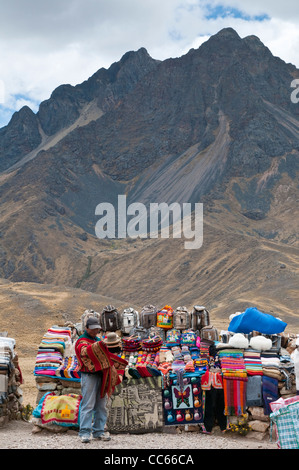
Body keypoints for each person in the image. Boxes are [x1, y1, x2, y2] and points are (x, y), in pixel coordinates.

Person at [75, 316, 127, 443]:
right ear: (86, 328)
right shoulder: (81, 341)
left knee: (101, 404)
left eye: (97, 329)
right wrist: (99, 347)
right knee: (88, 404)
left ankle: (99, 431)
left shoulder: (98, 340)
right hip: (89, 375)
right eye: (93, 329)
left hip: (102, 376)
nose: (95, 331)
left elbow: (107, 357)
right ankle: (85, 432)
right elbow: (84, 353)